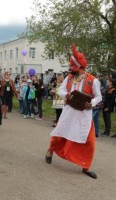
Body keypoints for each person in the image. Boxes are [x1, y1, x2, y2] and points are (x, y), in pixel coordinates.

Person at [45, 43, 102, 179]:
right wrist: (66, 95)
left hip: (84, 115)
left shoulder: (93, 80)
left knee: (89, 141)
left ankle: (86, 166)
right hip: (69, 111)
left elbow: (99, 96)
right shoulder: (69, 78)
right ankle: (50, 151)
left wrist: (91, 103)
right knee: (59, 135)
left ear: (80, 67)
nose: (70, 70)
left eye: (73, 67)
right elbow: (61, 90)